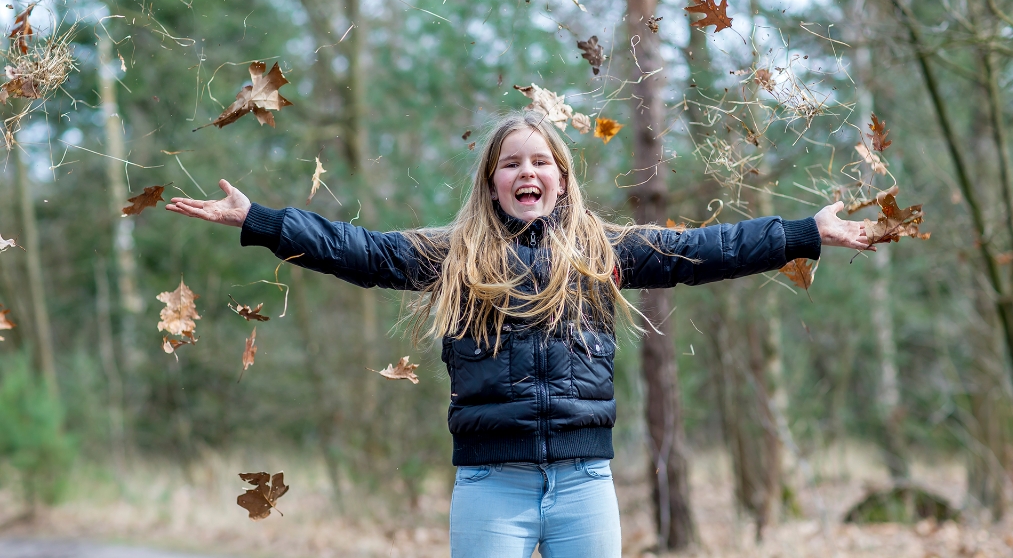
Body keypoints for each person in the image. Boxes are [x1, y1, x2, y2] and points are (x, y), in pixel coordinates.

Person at [166, 110, 873, 557]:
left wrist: (804, 232)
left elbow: (706, 249)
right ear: (493, 181)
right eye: (512, 163)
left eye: (540, 161)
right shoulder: (454, 254)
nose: (526, 171)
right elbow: (362, 250)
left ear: (561, 180)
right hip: (488, 484)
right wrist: (259, 220)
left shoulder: (606, 252)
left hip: (585, 481)